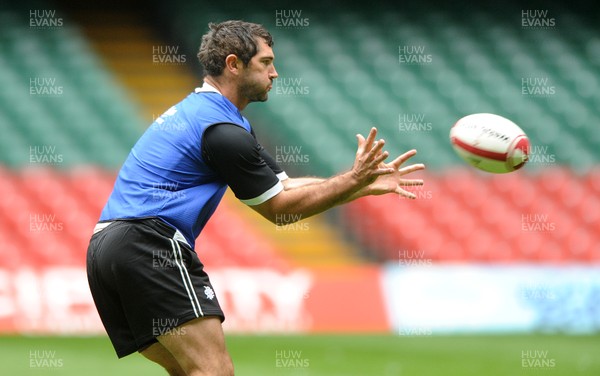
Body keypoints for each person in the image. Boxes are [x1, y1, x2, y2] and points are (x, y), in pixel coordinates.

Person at [86, 20, 425, 376]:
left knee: (189, 371)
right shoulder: (223, 132)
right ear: (234, 64)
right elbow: (278, 210)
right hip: (149, 245)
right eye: (265, 62)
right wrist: (352, 179)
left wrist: (353, 184)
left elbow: (284, 187)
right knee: (214, 371)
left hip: (106, 248)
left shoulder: (214, 118)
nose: (275, 73)